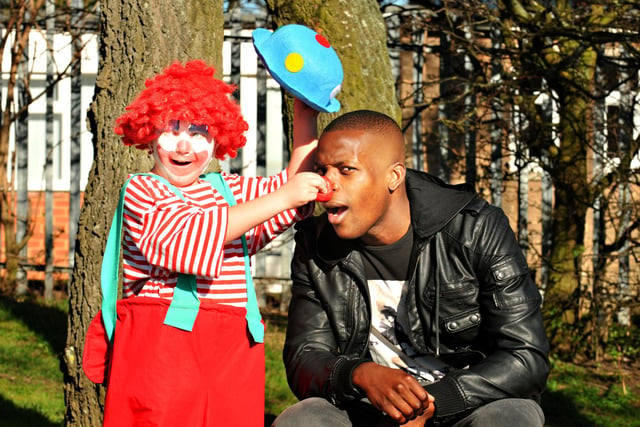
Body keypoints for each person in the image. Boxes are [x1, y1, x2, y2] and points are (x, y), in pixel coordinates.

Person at [85, 60, 328, 426]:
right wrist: (281, 198)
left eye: (199, 133)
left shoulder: (227, 191)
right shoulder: (142, 190)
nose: (184, 146)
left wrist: (304, 109)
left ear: (217, 141)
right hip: (164, 355)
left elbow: (296, 189)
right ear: (149, 133)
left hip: (232, 353)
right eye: (172, 130)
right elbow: (183, 242)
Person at [273, 110, 550, 427]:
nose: (327, 185)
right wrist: (360, 374)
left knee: (510, 419)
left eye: (346, 170)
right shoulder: (316, 245)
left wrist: (436, 402)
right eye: (322, 170)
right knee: (302, 420)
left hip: (467, 405)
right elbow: (304, 358)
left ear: (393, 176)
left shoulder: (474, 230)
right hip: (369, 406)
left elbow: (526, 355)